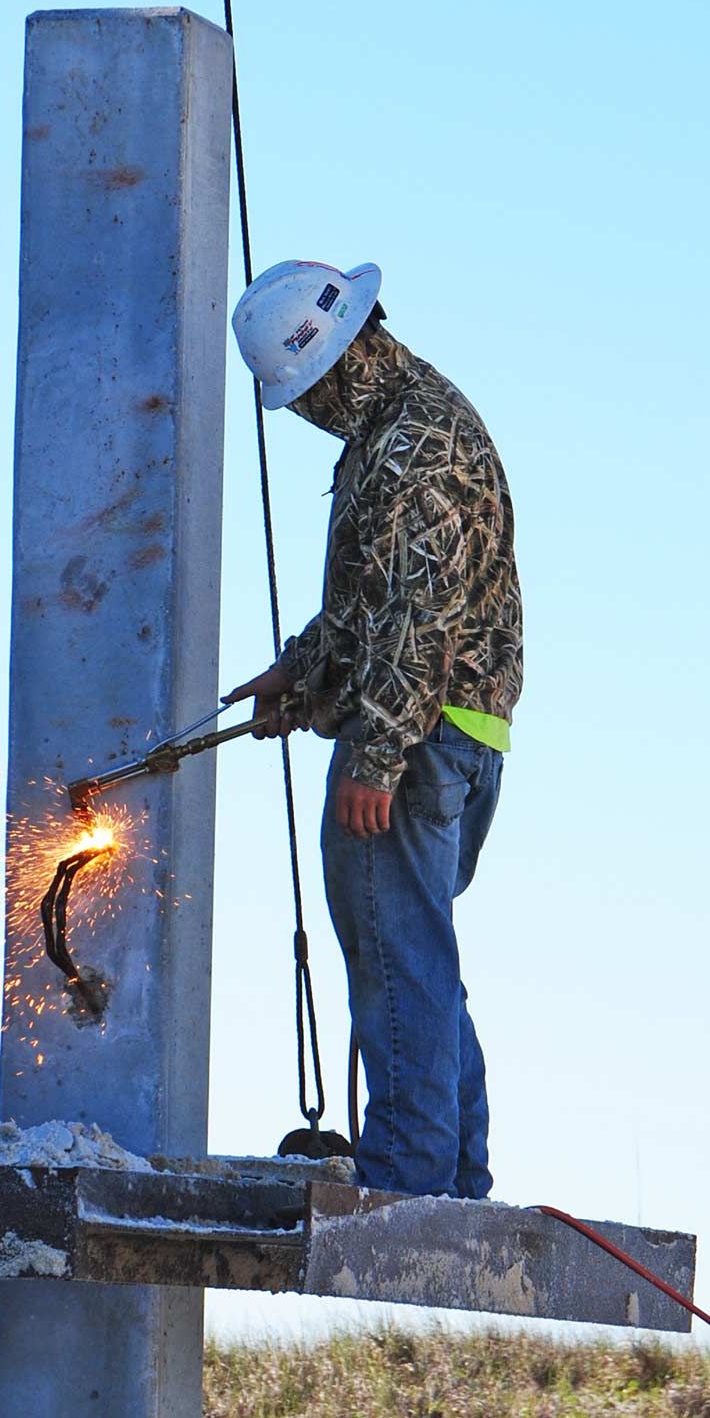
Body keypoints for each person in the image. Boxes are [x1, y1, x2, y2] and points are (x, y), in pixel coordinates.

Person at [225, 261, 522, 1199]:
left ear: (337, 363)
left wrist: (375, 752)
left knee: (394, 953)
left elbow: (417, 617)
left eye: (306, 394)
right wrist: (302, 673)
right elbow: (371, 607)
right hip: (454, 728)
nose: (306, 414)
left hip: (420, 736)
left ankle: (406, 1173)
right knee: (416, 950)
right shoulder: (402, 427)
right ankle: (450, 1169)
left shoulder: (408, 449)